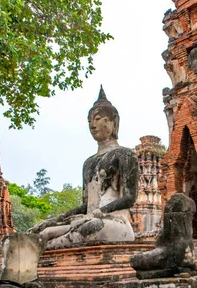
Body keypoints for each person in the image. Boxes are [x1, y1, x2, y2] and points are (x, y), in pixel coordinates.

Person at [30, 87, 138, 249]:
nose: (92, 125)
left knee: (90, 227)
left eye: (98, 118)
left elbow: (129, 198)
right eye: (89, 121)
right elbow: (85, 205)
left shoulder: (125, 154)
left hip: (113, 221)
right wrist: (55, 219)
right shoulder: (88, 163)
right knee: (44, 233)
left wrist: (99, 212)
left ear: (113, 122)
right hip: (88, 219)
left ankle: (51, 247)